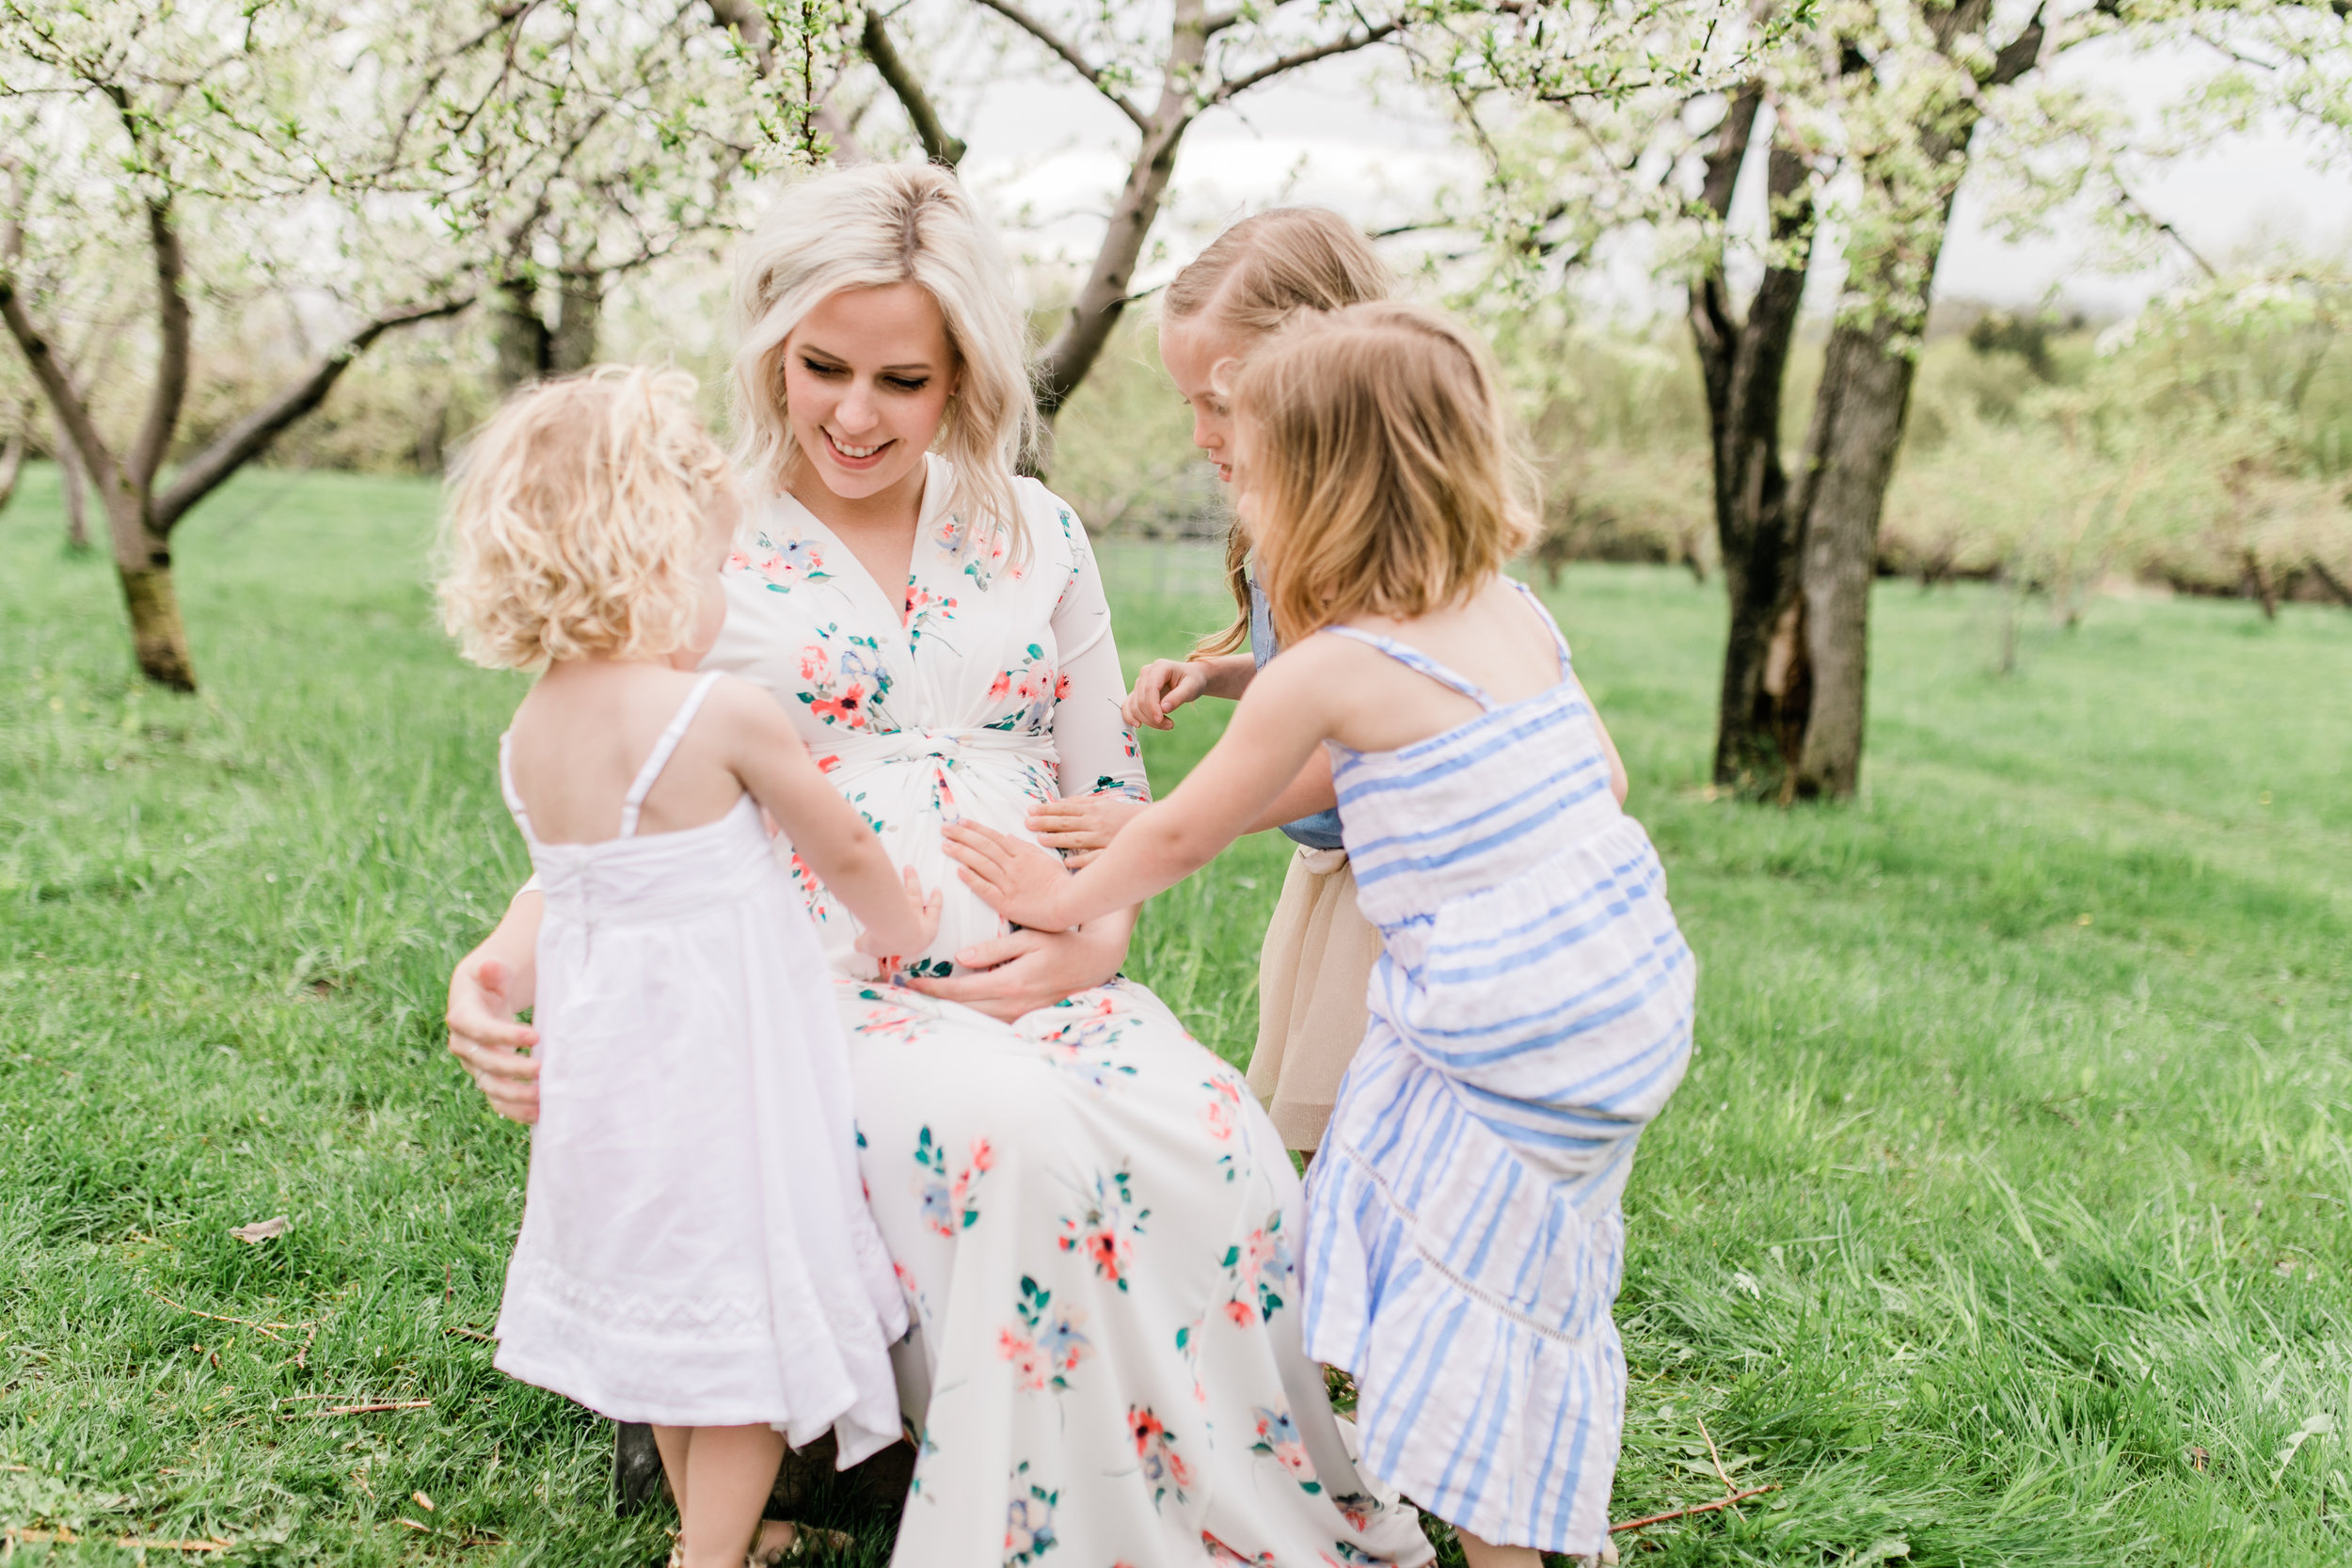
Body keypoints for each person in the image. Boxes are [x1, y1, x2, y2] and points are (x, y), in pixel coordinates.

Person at [442, 166, 1434, 1568]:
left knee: (1224, 1143)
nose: (854, 413)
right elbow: (612, 795)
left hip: (1053, 974)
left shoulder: (1039, 531)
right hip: (802, 995)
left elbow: (1109, 795)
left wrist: (1091, 944)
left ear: (964, 374)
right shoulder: (691, 539)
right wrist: (495, 963)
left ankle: (1218, 1513)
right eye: (821, 367)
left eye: (902, 379)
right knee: (1008, 1141)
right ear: (770, 349)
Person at [945, 302, 1695, 1567]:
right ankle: (1521, 1479)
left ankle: (1495, 1533)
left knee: (1454, 1280)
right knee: (1519, 1257)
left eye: (1256, 470)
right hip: (1619, 999)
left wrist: (1058, 888)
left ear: (1324, 489)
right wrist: (1250, 679)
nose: (1238, 490)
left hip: (1497, 1021)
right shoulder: (1511, 612)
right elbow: (1553, 762)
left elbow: (1180, 832)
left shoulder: (1331, 670)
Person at [437, 367, 940, 1568]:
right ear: (654, 559)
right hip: (724, 1070)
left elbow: (568, 898)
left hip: (613, 1082)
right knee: (747, 1340)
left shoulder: (531, 732)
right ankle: (705, 1556)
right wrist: (906, 933)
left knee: (674, 1329)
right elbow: (848, 843)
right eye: (715, 565)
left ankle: (721, 1528)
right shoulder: (714, 713)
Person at [1025, 208, 1392, 1154]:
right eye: (1190, 402)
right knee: (1309, 1097)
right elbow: (1313, 673)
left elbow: (1349, 750)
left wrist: (1170, 822)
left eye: (1220, 405)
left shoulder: (1366, 542)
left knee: (1363, 1109)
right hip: (1330, 867)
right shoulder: (1282, 511)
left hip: (1387, 877)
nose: (1198, 434)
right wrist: (1219, 672)